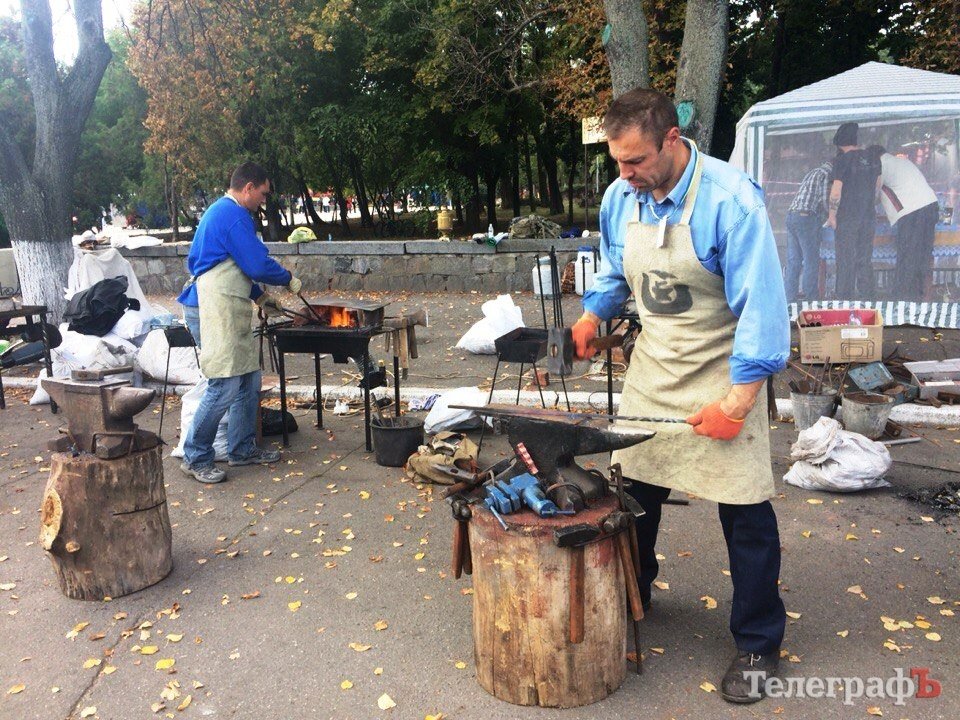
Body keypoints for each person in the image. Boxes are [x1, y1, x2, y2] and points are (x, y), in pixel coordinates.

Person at [574, 88, 789, 704]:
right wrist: (594, 314)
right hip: (656, 366)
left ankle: (758, 641)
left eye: (636, 160)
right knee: (633, 492)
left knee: (745, 511)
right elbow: (615, 272)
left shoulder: (730, 200)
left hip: (725, 369)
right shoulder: (622, 198)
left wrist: (739, 401)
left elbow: (763, 310)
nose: (626, 174)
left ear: (672, 140)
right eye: (617, 162)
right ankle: (633, 595)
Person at [177, 161, 302, 484]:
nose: (263, 200)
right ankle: (196, 455)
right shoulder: (231, 215)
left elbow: (236, 269)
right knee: (224, 384)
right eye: (262, 194)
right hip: (209, 307)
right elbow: (256, 263)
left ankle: (242, 449)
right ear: (248, 188)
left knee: (249, 380)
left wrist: (260, 297)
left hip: (227, 304)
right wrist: (287, 278)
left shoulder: (229, 214)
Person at [867, 146, 940, 300]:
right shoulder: (901, 162)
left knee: (908, 255)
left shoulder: (881, 164)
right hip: (930, 205)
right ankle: (919, 296)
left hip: (913, 211)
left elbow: (873, 193)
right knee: (922, 255)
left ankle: (904, 298)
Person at [827, 122, 881, 298]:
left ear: (840, 143)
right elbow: (878, 186)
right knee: (865, 258)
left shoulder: (841, 161)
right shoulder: (874, 158)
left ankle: (844, 299)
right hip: (868, 215)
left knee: (845, 259)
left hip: (847, 217)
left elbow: (836, 191)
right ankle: (868, 298)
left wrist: (832, 215)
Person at [784, 160, 832, 303]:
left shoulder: (812, 172)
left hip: (792, 215)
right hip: (806, 217)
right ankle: (811, 298)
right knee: (811, 259)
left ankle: (789, 298)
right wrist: (832, 215)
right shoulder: (826, 175)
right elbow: (824, 201)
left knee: (794, 260)